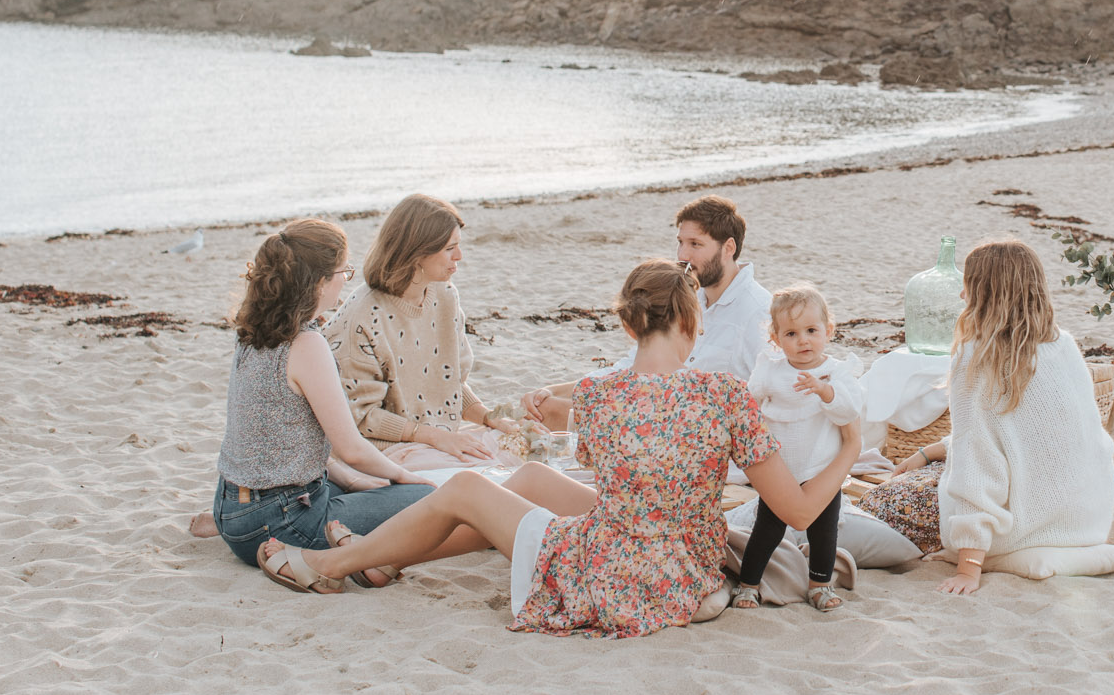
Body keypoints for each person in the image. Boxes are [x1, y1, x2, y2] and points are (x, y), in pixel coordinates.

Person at [278, 259, 860, 636]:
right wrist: (846, 449)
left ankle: (328, 566)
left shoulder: (601, 398)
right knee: (527, 483)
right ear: (691, 321)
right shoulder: (727, 394)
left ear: (630, 328)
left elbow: (575, 417)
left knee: (464, 488)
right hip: (689, 568)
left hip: (624, 574)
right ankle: (383, 558)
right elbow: (802, 512)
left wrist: (541, 409)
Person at [856, 238, 1114, 596]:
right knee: (927, 474)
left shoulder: (978, 358)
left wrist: (969, 569)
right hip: (1083, 517)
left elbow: (978, 467)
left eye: (969, 284)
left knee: (879, 501)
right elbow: (1025, 436)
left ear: (986, 293)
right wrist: (930, 452)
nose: (962, 295)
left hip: (1020, 525)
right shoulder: (1063, 346)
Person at [211, 219, 436, 590]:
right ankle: (356, 557)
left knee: (369, 486)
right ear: (317, 282)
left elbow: (290, 445)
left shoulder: (251, 332)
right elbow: (351, 448)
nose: (345, 280)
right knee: (427, 498)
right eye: (343, 272)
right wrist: (402, 478)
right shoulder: (306, 345)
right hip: (281, 522)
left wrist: (356, 481)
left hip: (231, 510)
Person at [522, 194, 770, 426]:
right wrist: (554, 389)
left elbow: (776, 396)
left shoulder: (759, 312)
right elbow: (631, 365)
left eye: (696, 244)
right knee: (545, 406)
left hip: (701, 437)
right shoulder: (687, 297)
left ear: (728, 248)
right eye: (681, 242)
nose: (683, 255)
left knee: (551, 414)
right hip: (652, 415)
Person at [324, 193, 516, 467]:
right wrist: (433, 437)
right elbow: (362, 417)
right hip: (385, 452)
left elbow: (448, 384)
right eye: (450, 248)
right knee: (488, 477)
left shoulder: (445, 295)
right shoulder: (364, 315)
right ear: (417, 253)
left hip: (438, 440)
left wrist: (488, 417)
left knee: (526, 453)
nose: (459, 256)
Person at [732, 284, 863, 611]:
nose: (803, 340)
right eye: (791, 333)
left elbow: (850, 411)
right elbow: (750, 403)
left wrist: (824, 391)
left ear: (828, 331)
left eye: (811, 330)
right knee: (766, 530)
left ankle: (819, 584)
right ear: (775, 339)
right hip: (781, 471)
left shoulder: (835, 372)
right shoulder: (771, 371)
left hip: (821, 469)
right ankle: (749, 584)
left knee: (824, 532)